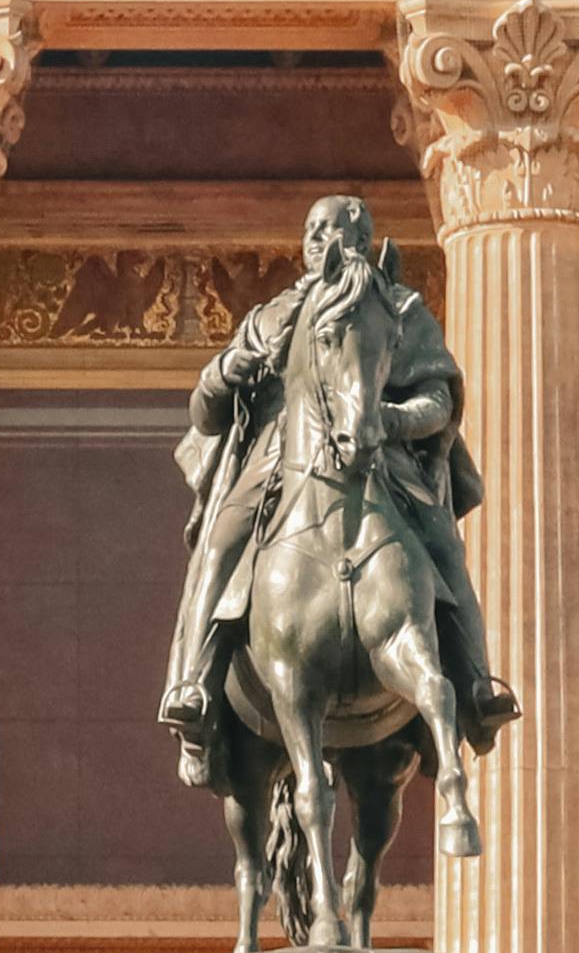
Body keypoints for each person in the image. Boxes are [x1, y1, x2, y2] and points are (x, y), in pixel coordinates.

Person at [154, 194, 512, 791]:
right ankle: (194, 685)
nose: (326, 241)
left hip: (381, 459)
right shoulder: (272, 316)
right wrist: (223, 374)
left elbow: (439, 402)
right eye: (315, 231)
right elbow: (206, 413)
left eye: (342, 231)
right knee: (218, 547)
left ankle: (476, 684)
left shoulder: (398, 309)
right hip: (276, 464)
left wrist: (390, 421)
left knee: (445, 547)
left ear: (366, 240)